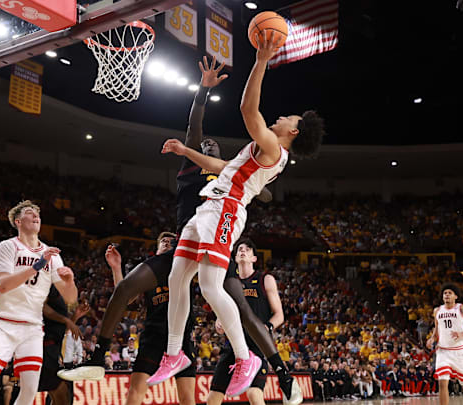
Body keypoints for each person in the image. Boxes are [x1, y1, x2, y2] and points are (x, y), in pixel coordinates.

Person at [148, 32, 325, 398]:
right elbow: (224, 165)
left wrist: (261, 60)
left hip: (226, 210)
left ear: (292, 131)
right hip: (208, 206)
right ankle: (173, 352)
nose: (280, 115)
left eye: (287, 117)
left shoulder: (274, 145)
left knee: (211, 286)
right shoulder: (264, 150)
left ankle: (246, 358)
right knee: (179, 276)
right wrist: (186, 150)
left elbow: (248, 110)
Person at [58, 235, 197, 405]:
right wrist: (117, 268)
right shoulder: (149, 271)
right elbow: (125, 297)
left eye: (171, 241)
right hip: (154, 335)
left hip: (182, 336)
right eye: (163, 241)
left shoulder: (186, 266)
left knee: (187, 397)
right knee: (135, 391)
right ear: (157, 248)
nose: (168, 242)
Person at [0, 201, 77, 405]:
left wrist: (70, 283)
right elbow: (3, 285)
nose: (36, 216)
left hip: (33, 328)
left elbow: (71, 299)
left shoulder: (51, 254)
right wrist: (37, 265)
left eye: (38, 213)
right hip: (3, 323)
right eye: (30, 213)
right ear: (18, 221)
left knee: (29, 391)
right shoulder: (8, 247)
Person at [208, 238, 283, 405]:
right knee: (213, 397)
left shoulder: (265, 279)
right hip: (233, 346)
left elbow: (279, 315)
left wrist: (267, 326)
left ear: (254, 259)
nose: (243, 251)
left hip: (257, 345)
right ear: (234, 258)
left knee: (254, 394)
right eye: (240, 249)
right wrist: (219, 322)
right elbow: (222, 313)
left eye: (248, 250)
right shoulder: (226, 284)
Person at [426, 283, 463, 405]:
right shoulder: (437, 310)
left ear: (455, 296)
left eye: (450, 293)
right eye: (445, 293)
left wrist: (462, 333)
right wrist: (432, 339)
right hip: (443, 351)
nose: (447, 295)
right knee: (442, 382)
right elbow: (437, 329)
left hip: (459, 351)